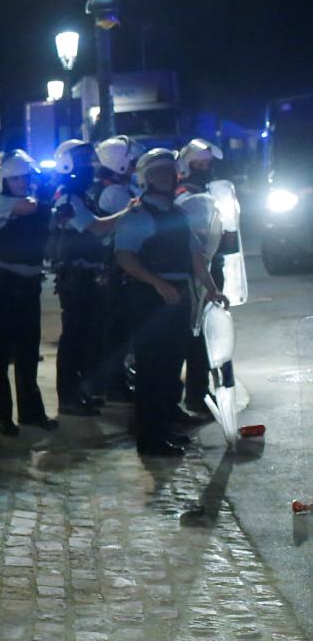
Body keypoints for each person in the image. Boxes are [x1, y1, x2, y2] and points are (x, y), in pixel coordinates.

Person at [112, 147, 221, 457]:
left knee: (171, 367)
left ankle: (163, 429)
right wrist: (157, 283)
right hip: (149, 298)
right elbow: (124, 257)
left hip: (177, 294)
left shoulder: (179, 214)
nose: (165, 177)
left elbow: (196, 255)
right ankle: (149, 439)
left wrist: (211, 288)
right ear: (146, 179)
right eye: (157, 172)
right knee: (151, 370)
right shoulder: (138, 216)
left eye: (168, 171)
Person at [0, 150, 55, 435]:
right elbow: (28, 208)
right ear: (3, 181)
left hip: (27, 284)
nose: (22, 182)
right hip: (2, 285)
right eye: (16, 178)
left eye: (25, 177)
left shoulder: (26, 200)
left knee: (27, 350)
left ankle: (31, 412)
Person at [47, 139, 108, 418]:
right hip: (75, 276)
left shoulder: (82, 194)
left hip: (86, 275)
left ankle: (80, 393)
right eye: (83, 160)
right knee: (73, 338)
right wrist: (130, 212)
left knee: (86, 337)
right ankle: (68, 398)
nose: (90, 165)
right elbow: (95, 227)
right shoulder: (68, 197)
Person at [174, 138, 230, 420]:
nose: (205, 168)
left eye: (208, 164)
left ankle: (199, 392)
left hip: (208, 267)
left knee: (205, 335)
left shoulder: (208, 192)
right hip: (193, 271)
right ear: (188, 165)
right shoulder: (184, 195)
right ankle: (195, 395)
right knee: (193, 337)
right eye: (200, 164)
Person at [93, 135, 141, 401]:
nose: (135, 166)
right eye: (132, 162)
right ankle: (114, 384)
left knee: (122, 329)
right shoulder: (114, 192)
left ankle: (119, 380)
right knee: (117, 330)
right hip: (116, 266)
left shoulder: (124, 186)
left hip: (122, 264)